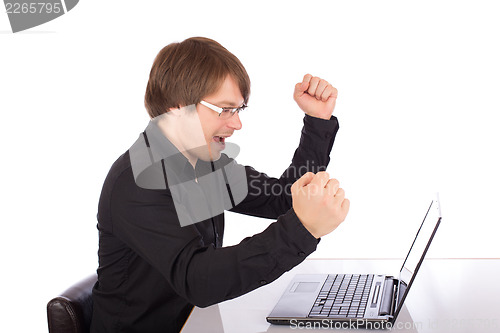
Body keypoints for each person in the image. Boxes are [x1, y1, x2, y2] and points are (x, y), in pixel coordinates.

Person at [90, 36, 350, 333]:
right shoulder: (138, 180)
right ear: (178, 106)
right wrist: (301, 229)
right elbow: (197, 280)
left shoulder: (204, 164)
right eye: (224, 110)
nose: (237, 124)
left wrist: (317, 121)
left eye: (238, 110)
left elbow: (283, 198)